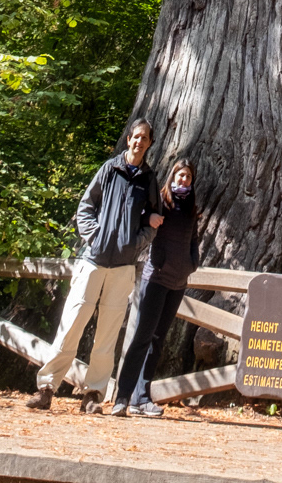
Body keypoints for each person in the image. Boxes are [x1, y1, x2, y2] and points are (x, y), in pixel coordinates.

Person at [26, 116, 163, 412]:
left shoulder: (148, 180)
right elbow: (86, 206)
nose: (139, 142)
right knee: (72, 323)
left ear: (150, 144)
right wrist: (95, 236)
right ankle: (47, 388)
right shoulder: (109, 169)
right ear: (129, 139)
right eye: (136, 137)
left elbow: (154, 218)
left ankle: (93, 394)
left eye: (145, 139)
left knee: (108, 332)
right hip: (93, 260)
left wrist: (137, 241)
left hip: (123, 266)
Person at [104, 156, 201, 418]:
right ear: (173, 177)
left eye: (188, 177)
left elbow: (193, 238)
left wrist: (193, 262)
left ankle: (141, 398)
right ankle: (122, 397)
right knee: (141, 339)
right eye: (180, 175)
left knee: (157, 341)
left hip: (178, 283)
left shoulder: (191, 206)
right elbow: (144, 217)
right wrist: (152, 226)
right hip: (155, 279)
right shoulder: (161, 200)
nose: (184, 180)